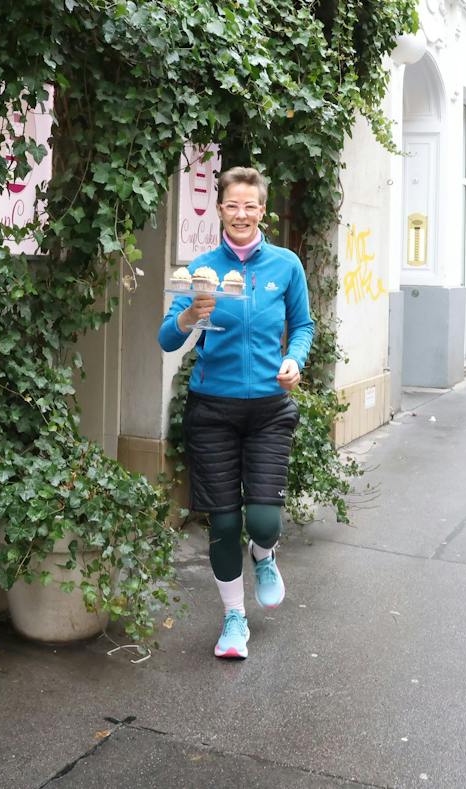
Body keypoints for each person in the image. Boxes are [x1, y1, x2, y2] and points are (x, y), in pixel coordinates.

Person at [160, 167, 313, 660]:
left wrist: (294, 359)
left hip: (269, 409)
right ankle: (233, 618)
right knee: (223, 523)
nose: (241, 214)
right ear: (220, 210)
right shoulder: (201, 270)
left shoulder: (286, 265)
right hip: (213, 411)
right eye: (232, 205)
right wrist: (188, 315)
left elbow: (304, 325)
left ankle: (264, 552)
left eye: (250, 206)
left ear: (262, 210)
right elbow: (167, 338)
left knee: (264, 520)